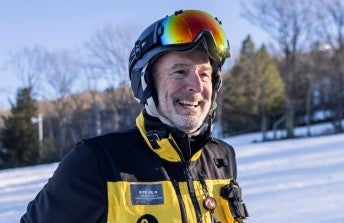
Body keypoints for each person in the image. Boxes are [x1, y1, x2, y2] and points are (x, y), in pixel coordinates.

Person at [21, 9, 248, 223]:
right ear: (146, 83)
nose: (196, 86)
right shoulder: (97, 162)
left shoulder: (222, 157)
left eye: (205, 74)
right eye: (180, 71)